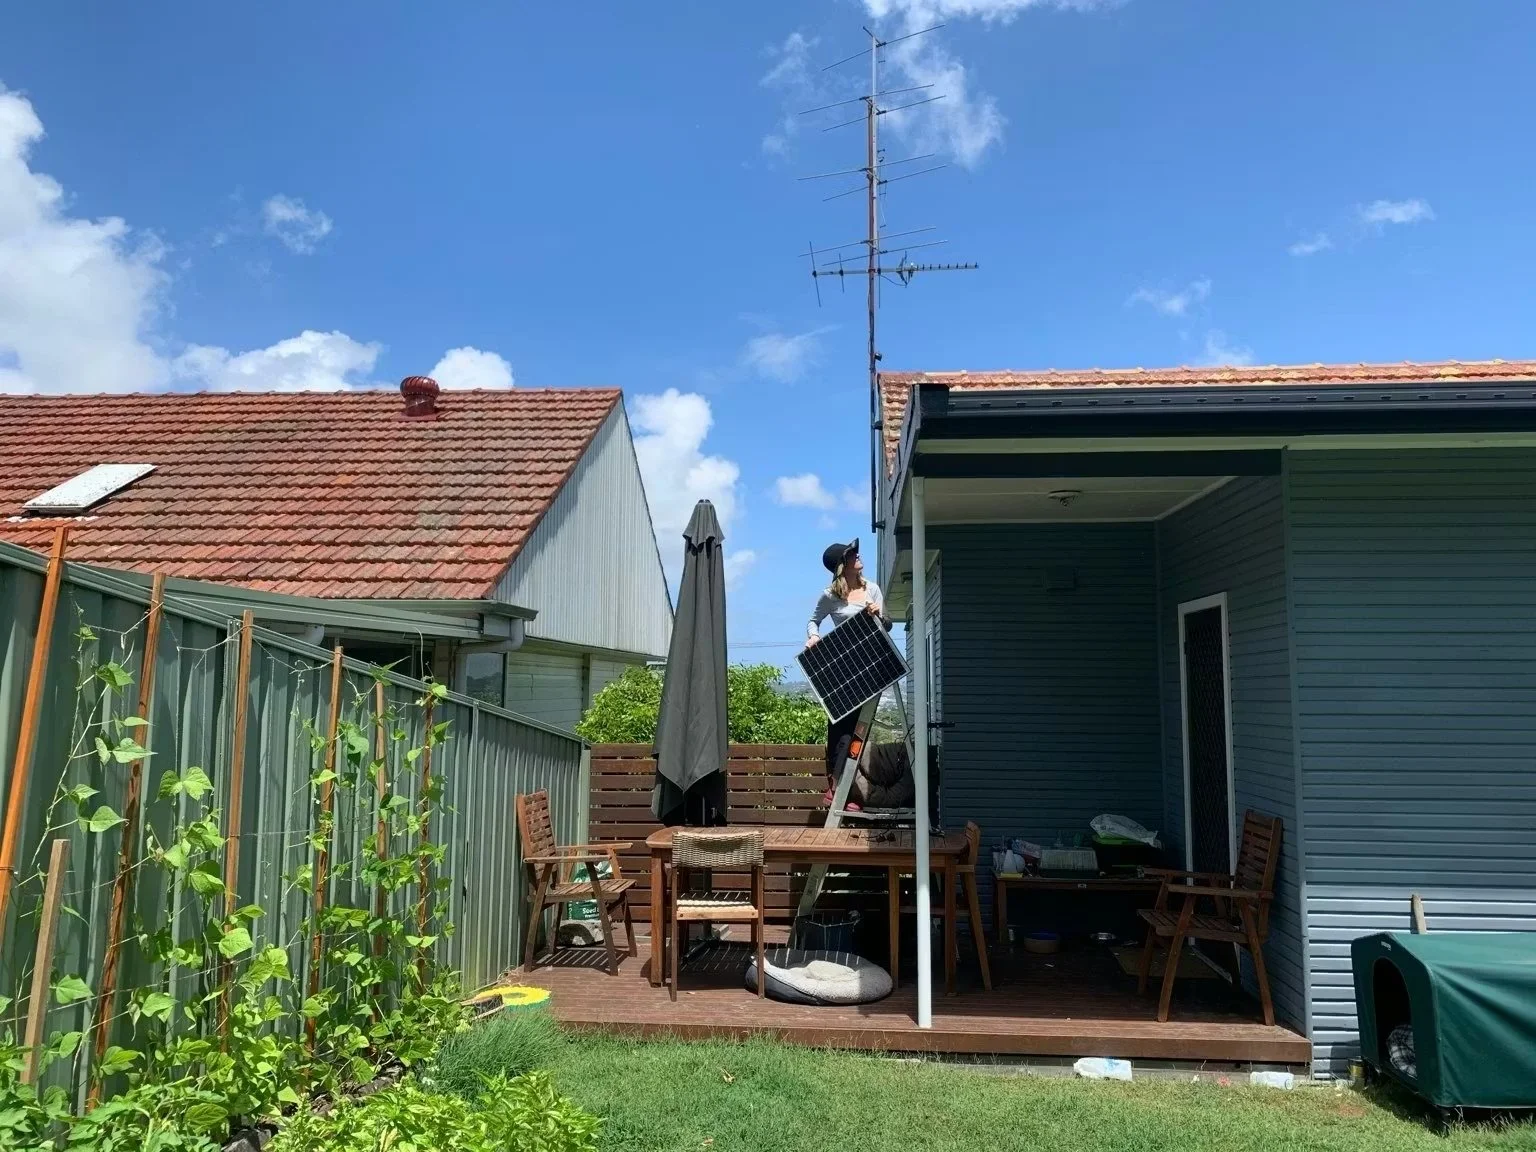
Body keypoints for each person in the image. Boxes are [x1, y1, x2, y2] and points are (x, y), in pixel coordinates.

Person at [805, 538, 888, 808]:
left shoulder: (872, 589)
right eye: (852, 555)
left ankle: (851, 791)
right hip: (842, 668)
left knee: (859, 732)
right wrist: (814, 637)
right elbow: (813, 620)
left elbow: (887, 626)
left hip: (868, 667)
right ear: (843, 566)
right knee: (838, 729)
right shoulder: (830, 595)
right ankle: (837, 787)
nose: (858, 556)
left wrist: (880, 615)